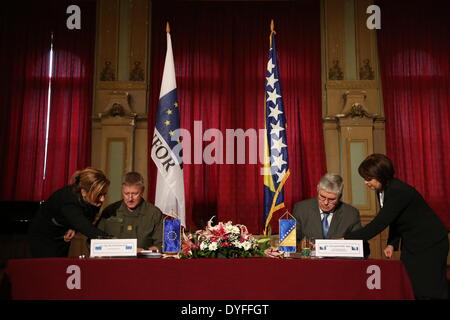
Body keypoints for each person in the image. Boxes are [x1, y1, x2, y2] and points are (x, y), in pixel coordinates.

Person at [344, 154, 449, 299]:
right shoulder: (383, 190)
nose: (365, 182)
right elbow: (395, 219)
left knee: (431, 290)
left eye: (369, 178)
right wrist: (392, 244)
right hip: (413, 244)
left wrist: (345, 239)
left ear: (381, 175)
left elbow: (376, 226)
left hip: (430, 244)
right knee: (413, 288)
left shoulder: (398, 191)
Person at [29, 168, 112, 258]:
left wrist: (73, 228)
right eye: (99, 195)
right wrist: (115, 241)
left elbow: (86, 219)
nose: (102, 199)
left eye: (104, 194)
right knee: (48, 268)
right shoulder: (68, 200)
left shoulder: (94, 200)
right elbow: (87, 228)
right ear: (84, 192)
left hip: (63, 235)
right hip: (43, 236)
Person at [293, 173, 369, 257]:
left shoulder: (351, 214)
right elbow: (292, 241)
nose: (325, 203)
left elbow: (362, 246)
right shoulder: (301, 209)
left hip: (339, 265)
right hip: (309, 263)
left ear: (340, 197)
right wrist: (303, 246)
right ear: (317, 191)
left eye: (331, 199)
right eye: (322, 197)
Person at [97, 172, 163, 252]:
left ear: (142, 191)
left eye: (134, 193)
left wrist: (143, 251)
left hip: (143, 261)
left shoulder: (154, 213)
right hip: (112, 261)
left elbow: (161, 246)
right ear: (122, 191)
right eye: (126, 193)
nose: (130, 198)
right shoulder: (110, 211)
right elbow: (96, 240)